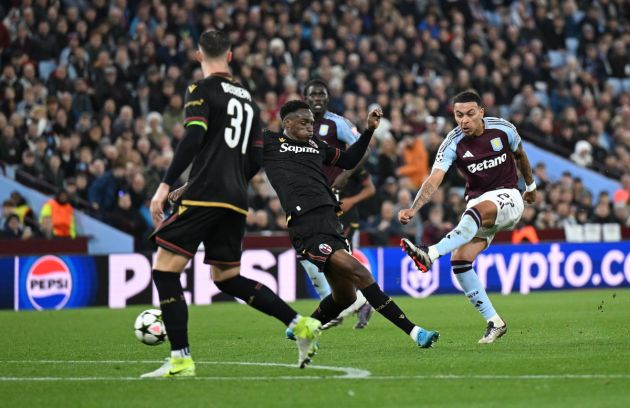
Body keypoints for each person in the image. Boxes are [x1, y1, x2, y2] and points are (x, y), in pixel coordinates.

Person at [144, 30, 321, 378]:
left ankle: (180, 359)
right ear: (229, 56)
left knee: (164, 271)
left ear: (199, 56)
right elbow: (256, 157)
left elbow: (193, 136)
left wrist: (166, 185)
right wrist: (232, 183)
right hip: (235, 198)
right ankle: (299, 324)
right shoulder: (249, 101)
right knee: (226, 277)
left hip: (208, 193)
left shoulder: (201, 90)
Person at [264, 100, 439, 349]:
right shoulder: (270, 143)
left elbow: (348, 160)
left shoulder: (316, 145)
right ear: (287, 123)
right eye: (304, 122)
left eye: (312, 122)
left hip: (331, 221)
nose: (310, 127)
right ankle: (415, 332)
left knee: (345, 296)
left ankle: (305, 327)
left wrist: (368, 131)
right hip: (306, 225)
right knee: (361, 273)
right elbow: (232, 154)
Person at [399, 89, 536, 344]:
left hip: (508, 196)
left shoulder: (503, 129)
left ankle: (430, 253)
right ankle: (495, 322)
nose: (464, 120)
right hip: (479, 204)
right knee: (460, 260)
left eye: (470, 114)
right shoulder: (452, 142)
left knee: (473, 213)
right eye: (459, 115)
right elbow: (434, 179)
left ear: (482, 112)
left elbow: (520, 155)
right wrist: (414, 209)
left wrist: (531, 186)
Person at [300, 78, 374, 329]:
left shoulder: (337, 123)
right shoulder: (299, 125)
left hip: (331, 201)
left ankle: (355, 303)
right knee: (308, 254)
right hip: (310, 199)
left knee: (333, 256)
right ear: (305, 98)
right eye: (313, 94)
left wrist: (343, 176)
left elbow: (363, 150)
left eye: (322, 94)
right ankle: (342, 305)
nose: (318, 98)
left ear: (328, 98)